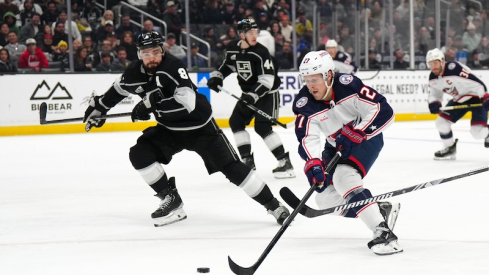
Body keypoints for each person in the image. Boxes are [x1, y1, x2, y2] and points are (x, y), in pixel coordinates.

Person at [82, 31, 290, 227]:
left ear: (162, 51)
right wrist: (99, 108)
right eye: (146, 53)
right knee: (139, 154)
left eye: (156, 52)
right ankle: (171, 199)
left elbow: (188, 103)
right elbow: (119, 90)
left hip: (200, 128)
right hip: (169, 130)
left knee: (234, 170)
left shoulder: (173, 67)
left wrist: (149, 104)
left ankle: (274, 206)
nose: (152, 57)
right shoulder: (134, 72)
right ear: (139, 55)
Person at [293, 50, 402, 255]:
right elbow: (308, 138)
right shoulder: (304, 104)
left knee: (344, 177)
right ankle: (379, 210)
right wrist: (313, 163)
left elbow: (383, 110)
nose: (310, 85)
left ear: (328, 75)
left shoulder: (348, 85)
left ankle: (383, 233)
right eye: (306, 79)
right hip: (335, 144)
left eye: (315, 79)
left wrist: (359, 131)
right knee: (323, 198)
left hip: (365, 138)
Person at [207, 19, 295, 179]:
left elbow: (267, 80)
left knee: (262, 127)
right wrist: (218, 77)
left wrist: (252, 96)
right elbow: (228, 65)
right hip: (249, 94)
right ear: (242, 35)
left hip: (268, 94)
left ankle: (285, 163)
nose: (255, 36)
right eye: (251, 33)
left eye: (256, 33)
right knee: (236, 122)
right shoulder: (233, 48)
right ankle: (247, 161)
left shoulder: (261, 52)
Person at [426, 48, 489, 159]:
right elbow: (435, 94)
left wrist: (485, 97)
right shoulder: (433, 77)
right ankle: (450, 148)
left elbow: (479, 85)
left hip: (476, 97)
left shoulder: (453, 69)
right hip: (459, 99)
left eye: (435, 63)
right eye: (431, 64)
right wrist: (434, 102)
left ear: (441, 61)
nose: (433, 67)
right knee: (441, 123)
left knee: (477, 132)